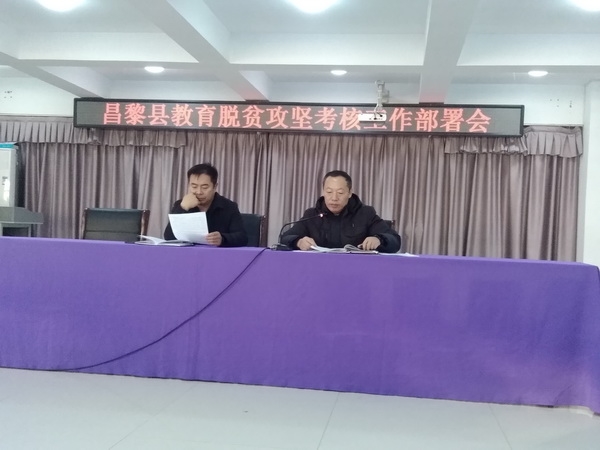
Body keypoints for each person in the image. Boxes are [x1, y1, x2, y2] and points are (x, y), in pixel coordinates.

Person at [280, 170, 401, 253]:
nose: (334, 198)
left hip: (356, 271)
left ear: (349, 193)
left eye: (340, 193)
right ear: (323, 192)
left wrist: (379, 239)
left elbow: (395, 240)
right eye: (329, 192)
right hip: (319, 270)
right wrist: (298, 242)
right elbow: (285, 238)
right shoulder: (312, 215)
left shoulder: (365, 214)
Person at [164, 163, 248, 247]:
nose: (199, 192)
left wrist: (223, 239)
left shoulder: (229, 206)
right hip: (189, 253)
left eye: (204, 187)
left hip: (216, 253)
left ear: (215, 187)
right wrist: (182, 208)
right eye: (194, 187)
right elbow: (168, 237)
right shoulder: (181, 204)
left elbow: (242, 238)